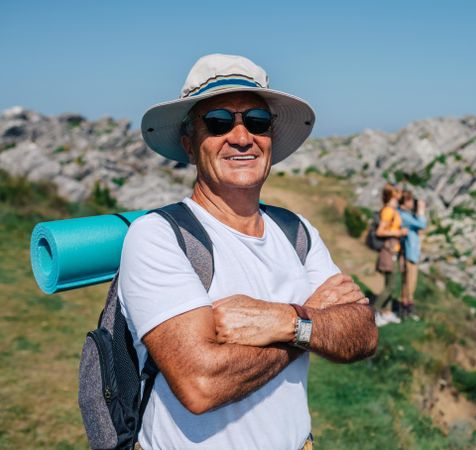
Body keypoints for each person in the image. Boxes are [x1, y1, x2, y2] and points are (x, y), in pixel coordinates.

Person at [119, 54, 378, 450]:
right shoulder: (158, 236)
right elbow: (202, 384)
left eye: (257, 121)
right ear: (190, 144)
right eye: (218, 122)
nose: (242, 137)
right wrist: (309, 324)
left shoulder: (296, 230)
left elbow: (363, 333)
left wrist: (285, 321)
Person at [373, 183, 408, 324]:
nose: (401, 194)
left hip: (393, 250)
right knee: (391, 285)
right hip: (389, 251)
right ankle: (374, 313)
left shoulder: (393, 210)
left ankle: (385, 313)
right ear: (393, 195)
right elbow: (380, 231)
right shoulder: (388, 211)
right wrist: (399, 232)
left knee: (391, 284)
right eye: (398, 192)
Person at [398, 191, 427, 317]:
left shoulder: (406, 214)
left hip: (411, 252)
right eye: (409, 200)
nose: (412, 202)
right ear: (404, 202)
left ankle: (406, 308)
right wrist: (421, 210)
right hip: (410, 253)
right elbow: (422, 224)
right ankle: (406, 308)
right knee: (410, 282)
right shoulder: (403, 215)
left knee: (409, 282)